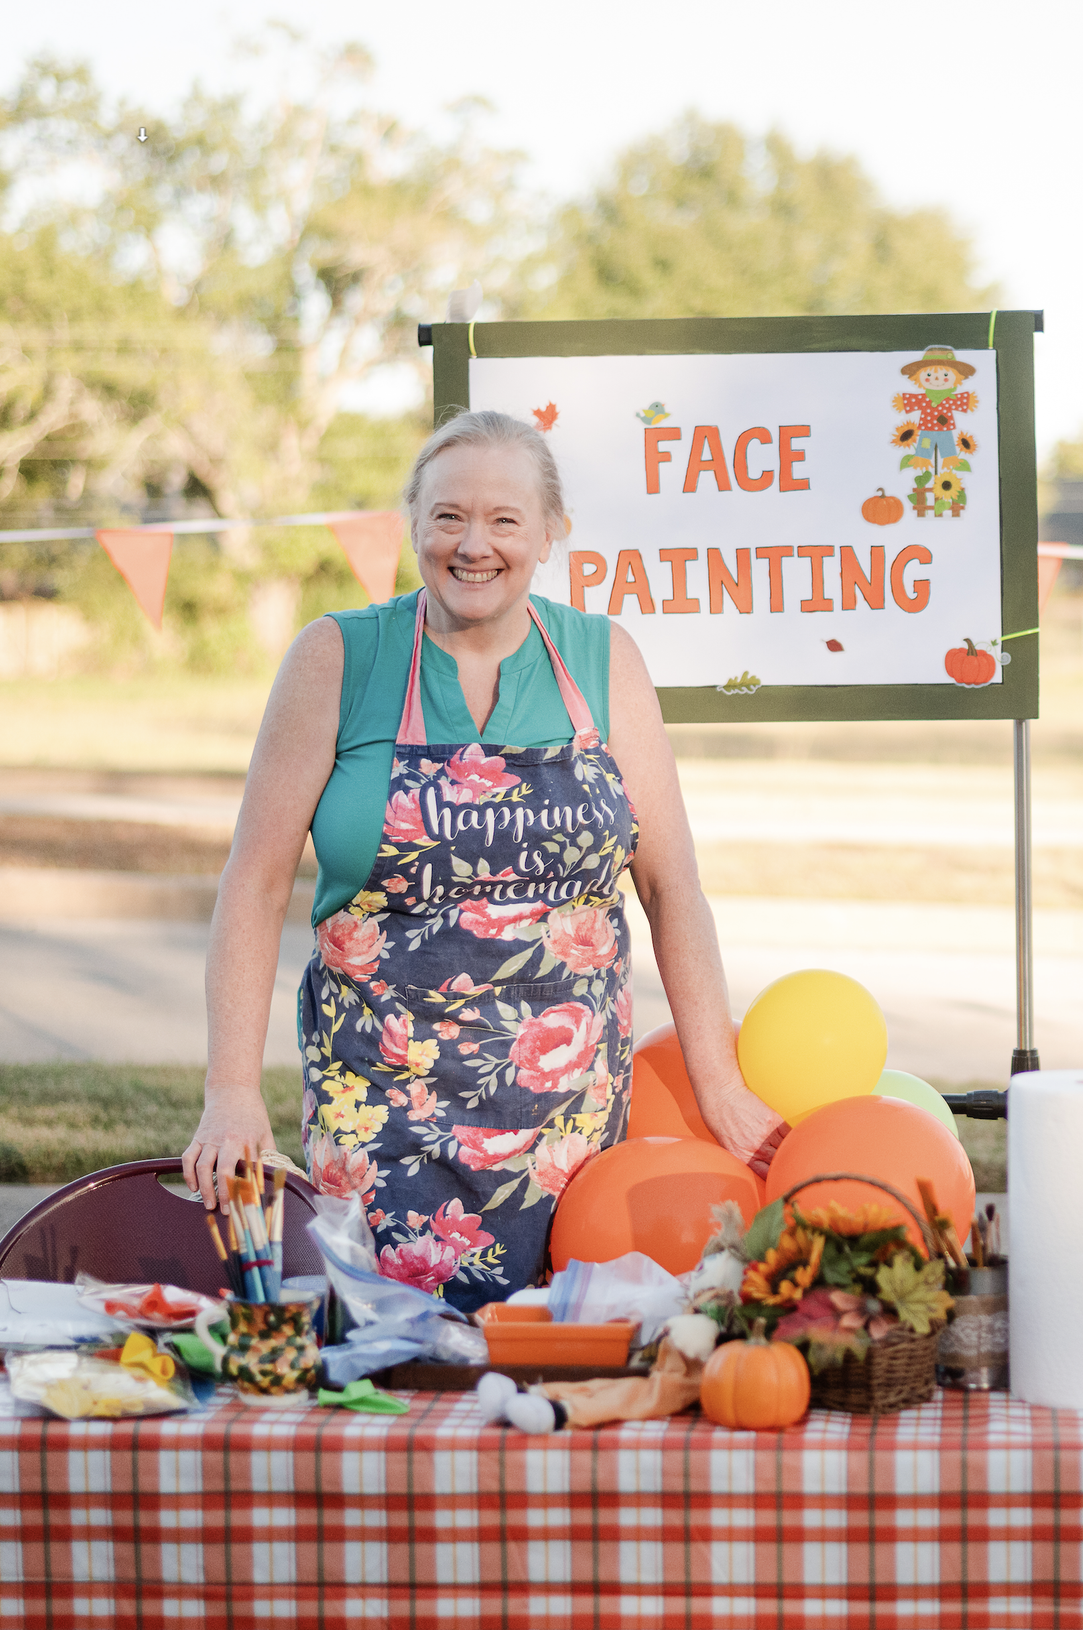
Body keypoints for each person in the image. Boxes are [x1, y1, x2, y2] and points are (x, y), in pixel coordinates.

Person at [182, 409, 783, 1310]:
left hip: (571, 1128)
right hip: (378, 1115)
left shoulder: (603, 659)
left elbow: (670, 887)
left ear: (549, 534)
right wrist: (230, 1090)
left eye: (504, 520)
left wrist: (722, 1087)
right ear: (414, 525)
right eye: (449, 516)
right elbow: (255, 883)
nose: (475, 544)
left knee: (561, 1359)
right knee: (387, 1369)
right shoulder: (339, 658)